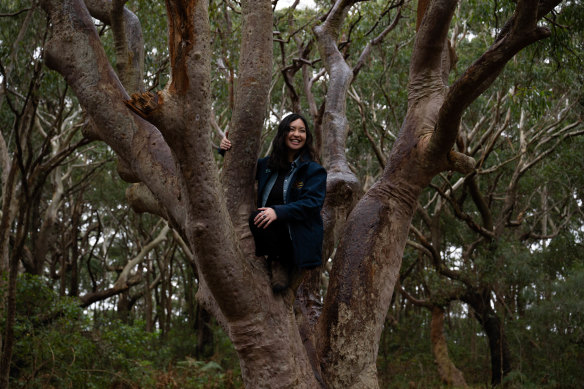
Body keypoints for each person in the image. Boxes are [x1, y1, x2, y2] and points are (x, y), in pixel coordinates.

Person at [220, 113, 327, 293]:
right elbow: (241, 166)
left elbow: (312, 204)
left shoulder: (313, 170)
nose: (296, 134)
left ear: (306, 137)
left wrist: (278, 211)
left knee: (260, 216)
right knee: (258, 218)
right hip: (270, 237)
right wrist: (225, 148)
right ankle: (275, 260)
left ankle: (281, 264)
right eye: (291, 129)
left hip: (297, 237)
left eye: (302, 131)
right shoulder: (268, 165)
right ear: (282, 133)